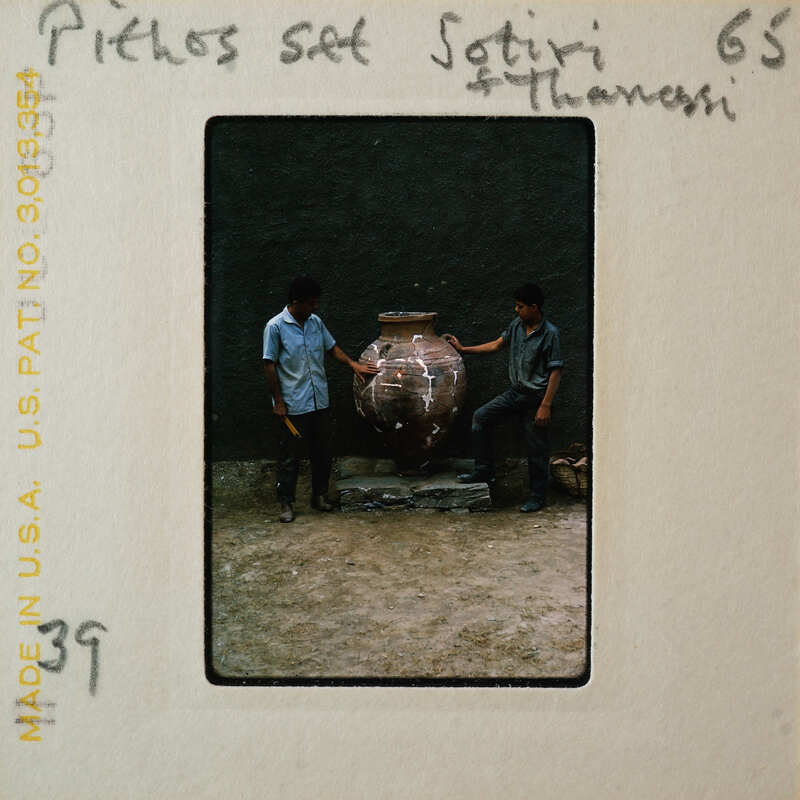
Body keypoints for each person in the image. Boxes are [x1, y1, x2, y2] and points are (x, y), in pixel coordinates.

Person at [263, 276, 377, 523]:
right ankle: (286, 503)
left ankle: (319, 496)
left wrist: (353, 364)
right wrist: (278, 402)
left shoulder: (315, 322)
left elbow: (331, 347)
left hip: (319, 400)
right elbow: (269, 365)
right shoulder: (275, 327)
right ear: (296, 302)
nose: (315, 307)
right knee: (290, 456)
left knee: (322, 451)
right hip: (292, 404)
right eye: (311, 303)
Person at [444, 283, 564, 513]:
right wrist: (464, 349)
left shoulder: (550, 334)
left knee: (536, 449)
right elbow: (497, 345)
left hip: (536, 398)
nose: (516, 310)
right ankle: (484, 471)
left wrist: (545, 405)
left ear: (534, 307)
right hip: (515, 393)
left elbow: (556, 371)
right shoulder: (517, 325)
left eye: (520, 306)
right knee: (481, 417)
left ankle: (537, 496)